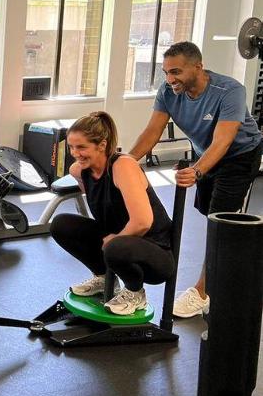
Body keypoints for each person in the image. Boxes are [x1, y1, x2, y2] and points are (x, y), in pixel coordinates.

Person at [127, 42, 263, 318]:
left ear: (198, 67)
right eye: (166, 72)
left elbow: (223, 140)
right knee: (207, 211)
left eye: (176, 72)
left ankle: (203, 292)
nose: (170, 79)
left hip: (239, 155)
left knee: (220, 221)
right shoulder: (168, 92)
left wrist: (197, 171)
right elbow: (152, 131)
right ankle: (229, 260)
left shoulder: (230, 91)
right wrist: (126, 162)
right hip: (206, 154)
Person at [51, 112, 176, 316]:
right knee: (61, 224)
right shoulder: (79, 171)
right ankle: (102, 277)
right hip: (120, 242)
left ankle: (135, 292)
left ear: (102, 145)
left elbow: (143, 222)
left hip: (155, 253)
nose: (75, 153)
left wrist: (114, 239)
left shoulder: (123, 166)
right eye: (71, 147)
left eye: (81, 147)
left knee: (114, 246)